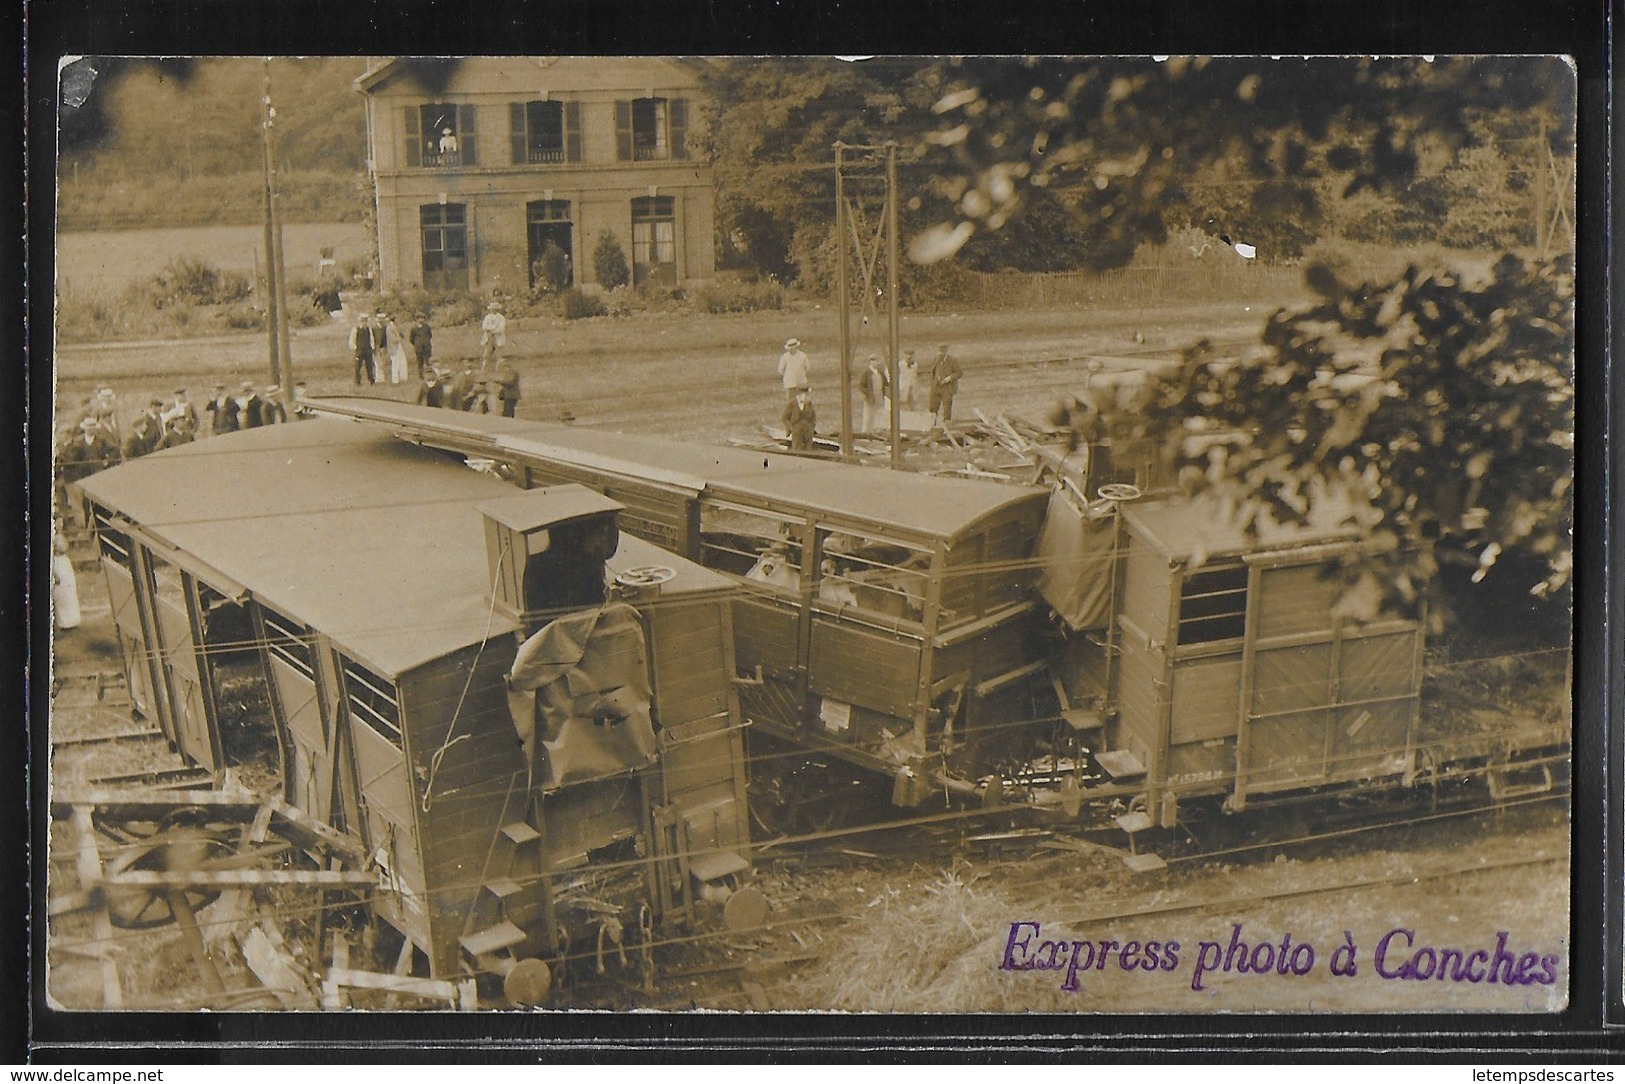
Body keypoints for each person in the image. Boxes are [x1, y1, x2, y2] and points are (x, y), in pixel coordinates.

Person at [51, 532, 81, 631]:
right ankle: (64, 622)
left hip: (65, 571)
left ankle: (72, 620)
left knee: (69, 594)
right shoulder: (55, 561)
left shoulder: (64, 560)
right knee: (61, 596)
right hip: (59, 573)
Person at [929, 342, 962, 425]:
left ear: (946, 351)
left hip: (947, 388)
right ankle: (932, 425)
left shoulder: (953, 360)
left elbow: (959, 373)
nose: (941, 353)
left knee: (947, 408)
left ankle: (946, 426)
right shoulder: (936, 359)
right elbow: (932, 372)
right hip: (936, 387)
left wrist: (949, 378)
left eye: (943, 351)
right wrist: (934, 382)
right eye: (939, 351)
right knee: (933, 408)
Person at [859, 353, 890, 433]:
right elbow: (861, 386)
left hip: (879, 398)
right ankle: (865, 432)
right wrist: (868, 393)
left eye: (877, 361)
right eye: (874, 361)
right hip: (870, 399)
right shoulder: (866, 373)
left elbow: (886, 384)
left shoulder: (880, 373)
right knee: (868, 417)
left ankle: (878, 432)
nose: (876, 363)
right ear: (871, 362)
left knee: (879, 415)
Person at [781, 387, 817, 452]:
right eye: (805, 394)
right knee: (797, 450)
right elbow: (784, 418)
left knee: (808, 451)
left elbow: (813, 417)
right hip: (797, 430)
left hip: (808, 431)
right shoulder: (792, 403)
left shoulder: (809, 403)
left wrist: (812, 427)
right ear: (800, 394)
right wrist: (791, 428)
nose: (807, 396)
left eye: (808, 394)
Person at [777, 337, 809, 403]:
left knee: (801, 402)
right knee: (791, 402)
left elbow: (807, 368)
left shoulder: (802, 356)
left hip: (800, 383)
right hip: (790, 384)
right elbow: (780, 370)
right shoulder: (785, 357)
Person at [350, 311, 379, 385]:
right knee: (357, 366)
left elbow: (372, 339)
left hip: (368, 350)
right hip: (359, 351)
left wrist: (372, 347)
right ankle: (357, 382)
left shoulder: (369, 329)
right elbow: (352, 340)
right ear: (360, 321)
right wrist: (355, 347)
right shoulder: (355, 329)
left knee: (369, 366)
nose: (364, 323)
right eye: (362, 321)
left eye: (365, 321)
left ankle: (371, 380)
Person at [384, 313, 410, 385]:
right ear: (393, 320)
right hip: (394, 348)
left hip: (399, 347)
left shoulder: (397, 327)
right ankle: (395, 380)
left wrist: (401, 333)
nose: (398, 321)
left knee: (403, 362)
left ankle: (403, 378)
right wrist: (400, 338)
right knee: (395, 363)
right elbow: (393, 339)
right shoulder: (389, 328)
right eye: (397, 319)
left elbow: (403, 335)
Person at [409, 312, 434, 379]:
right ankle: (421, 376)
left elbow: (430, 335)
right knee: (420, 362)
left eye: (422, 318)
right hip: (418, 348)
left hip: (427, 347)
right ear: (417, 319)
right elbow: (411, 339)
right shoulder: (414, 328)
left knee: (429, 361)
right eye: (420, 318)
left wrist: (426, 342)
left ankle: (431, 375)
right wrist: (417, 344)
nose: (421, 320)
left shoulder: (427, 327)